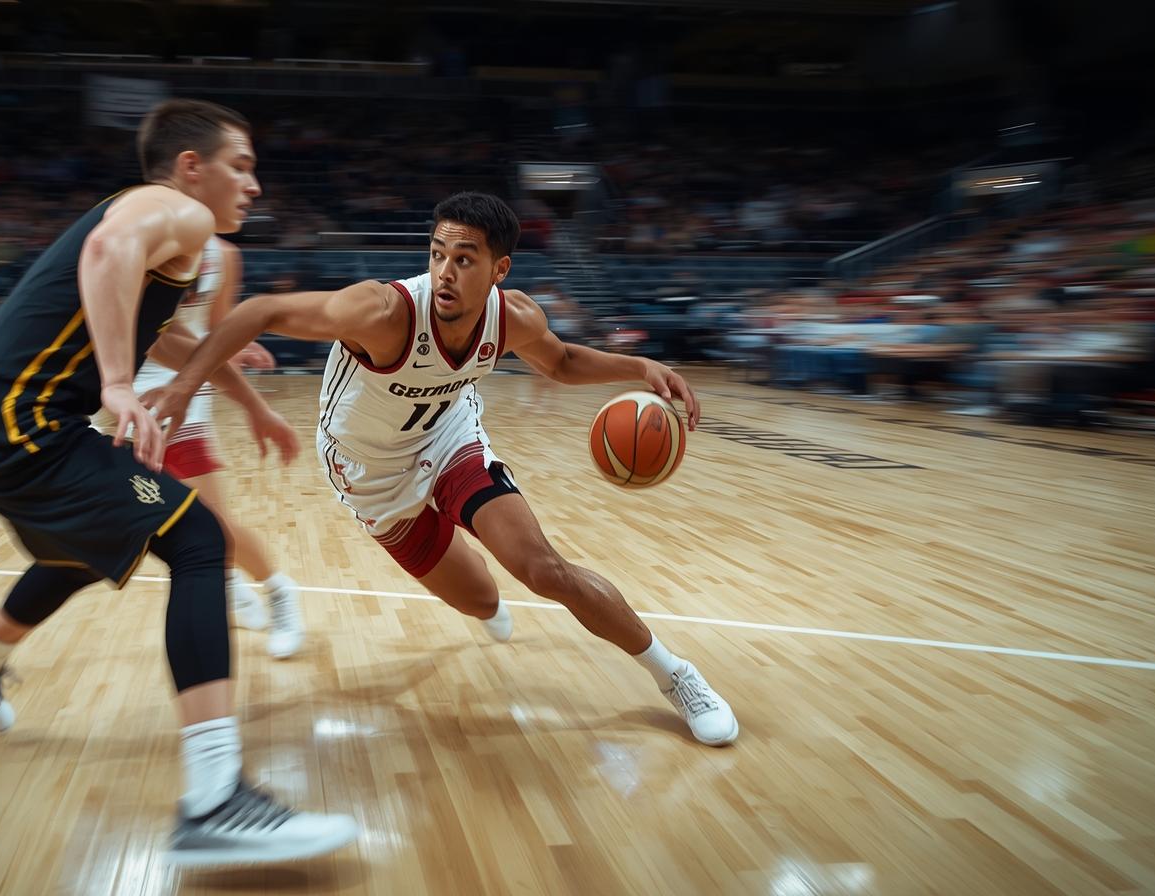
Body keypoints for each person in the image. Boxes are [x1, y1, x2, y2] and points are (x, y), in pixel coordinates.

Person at [0, 98, 358, 867]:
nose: (254, 186)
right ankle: (216, 800)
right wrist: (118, 384)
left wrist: (222, 358)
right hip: (20, 418)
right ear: (193, 167)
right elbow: (105, 254)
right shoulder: (172, 212)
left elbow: (155, 313)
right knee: (197, 538)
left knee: (76, 552)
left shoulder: (164, 229)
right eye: (241, 166)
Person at [147, 191, 738, 746]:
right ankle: (485, 600)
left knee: (544, 569)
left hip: (449, 439)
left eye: (464, 258)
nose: (445, 272)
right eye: (437, 254)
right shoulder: (382, 311)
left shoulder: (515, 318)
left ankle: (674, 674)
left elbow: (559, 361)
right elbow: (259, 310)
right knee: (479, 600)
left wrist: (639, 367)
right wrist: (182, 388)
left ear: (499, 270)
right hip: (369, 473)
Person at [104, 234, 308, 658]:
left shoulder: (225, 254)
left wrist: (236, 350)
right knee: (152, 522)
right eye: (238, 168)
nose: (248, 186)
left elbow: (217, 329)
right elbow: (150, 330)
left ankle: (279, 592)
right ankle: (231, 585)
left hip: (183, 391)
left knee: (210, 520)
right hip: (118, 394)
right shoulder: (141, 238)